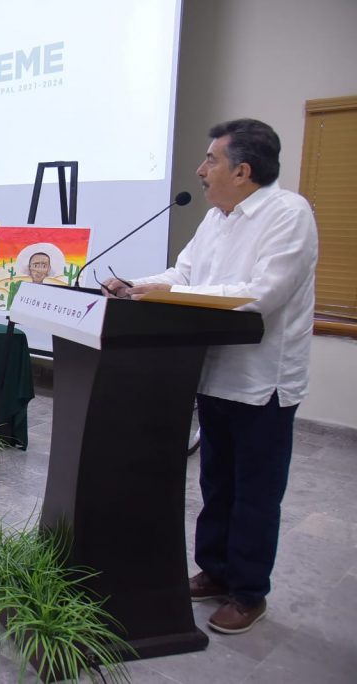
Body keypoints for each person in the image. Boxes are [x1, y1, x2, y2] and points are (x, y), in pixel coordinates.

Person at [104, 118, 318, 635]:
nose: (201, 170)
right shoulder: (217, 217)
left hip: (263, 380)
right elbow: (185, 273)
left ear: (243, 170)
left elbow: (259, 294)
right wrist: (138, 286)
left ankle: (249, 592)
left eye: (211, 160)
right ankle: (216, 570)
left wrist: (170, 295)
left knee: (255, 492)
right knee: (216, 483)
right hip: (212, 372)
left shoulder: (288, 214)